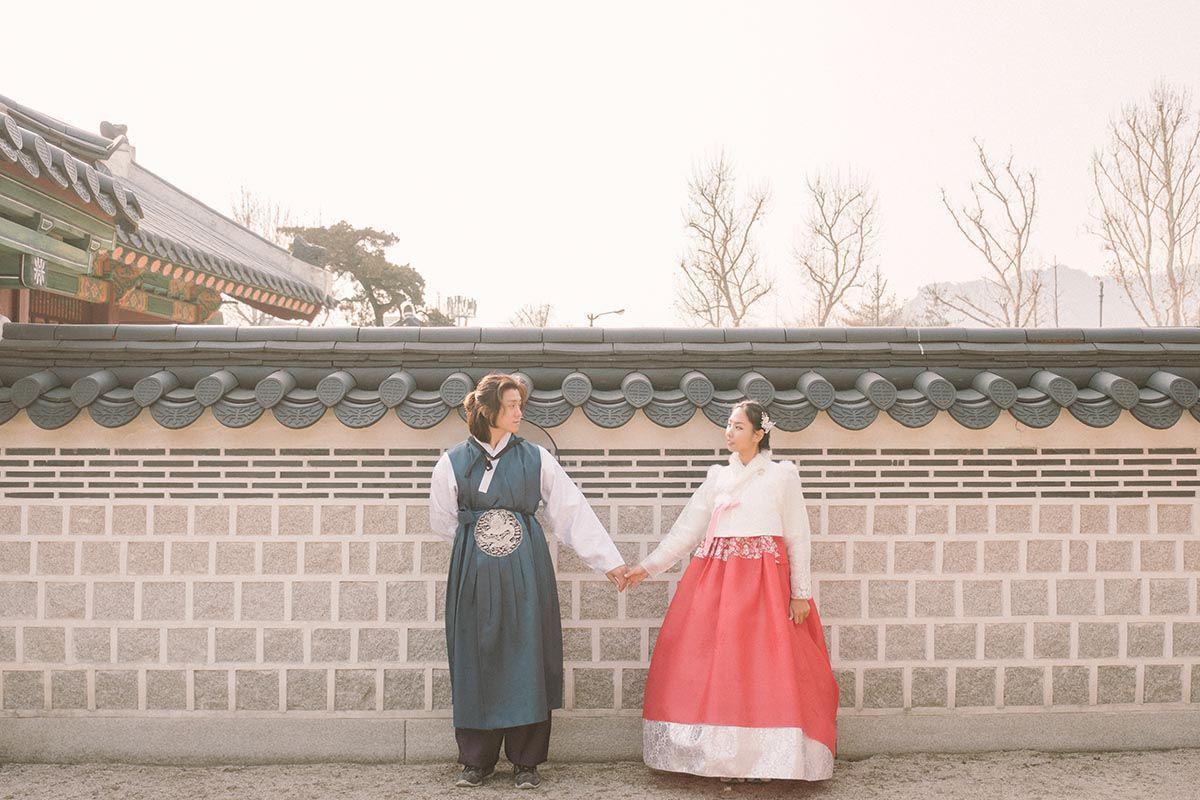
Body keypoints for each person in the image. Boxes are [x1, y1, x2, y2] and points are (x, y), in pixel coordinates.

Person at [428, 372, 629, 789]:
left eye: (520, 404)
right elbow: (444, 522)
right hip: (473, 571)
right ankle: (477, 760)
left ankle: (526, 762)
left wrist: (608, 561)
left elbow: (571, 511)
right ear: (488, 411)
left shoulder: (536, 457)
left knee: (527, 653)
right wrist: (484, 540)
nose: (520, 412)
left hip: (526, 567)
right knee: (475, 654)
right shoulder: (451, 462)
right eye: (512, 405)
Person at [625, 400, 838, 782]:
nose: (730, 432)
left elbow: (797, 536)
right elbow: (687, 529)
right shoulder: (717, 477)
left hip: (764, 586)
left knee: (763, 668)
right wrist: (648, 567)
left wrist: (800, 592)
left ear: (760, 434)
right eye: (728, 425)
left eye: (739, 427)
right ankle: (723, 759)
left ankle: (767, 761)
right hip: (717, 584)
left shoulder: (781, 477)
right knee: (717, 667)